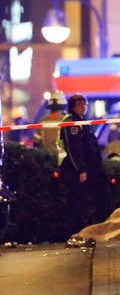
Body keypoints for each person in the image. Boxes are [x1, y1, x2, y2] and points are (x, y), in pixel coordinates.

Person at [59, 93, 112, 233]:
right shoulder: (72, 123)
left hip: (92, 169)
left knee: (102, 199)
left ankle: (104, 230)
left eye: (85, 104)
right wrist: (81, 170)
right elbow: (73, 149)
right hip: (81, 171)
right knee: (77, 204)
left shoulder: (83, 122)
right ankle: (73, 232)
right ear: (73, 107)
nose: (83, 107)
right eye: (80, 105)